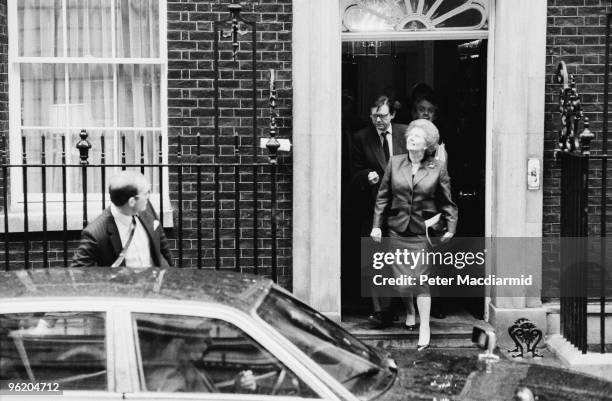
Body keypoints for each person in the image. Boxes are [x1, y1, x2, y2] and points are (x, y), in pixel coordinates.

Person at [370, 119, 458, 350]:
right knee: (402, 283)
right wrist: (377, 225)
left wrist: (450, 227)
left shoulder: (437, 167)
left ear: (427, 144)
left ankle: (424, 326)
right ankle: (410, 310)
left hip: (421, 232)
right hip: (397, 229)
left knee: (420, 281)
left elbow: (446, 201)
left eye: (416, 137)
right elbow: (383, 197)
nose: (411, 138)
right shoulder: (395, 162)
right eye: (410, 135)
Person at [351, 95, 408, 328]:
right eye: (375, 116)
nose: (379, 121)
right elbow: (352, 173)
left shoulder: (406, 133)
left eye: (383, 116)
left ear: (392, 115)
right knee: (375, 259)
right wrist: (366, 176)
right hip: (373, 208)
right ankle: (380, 311)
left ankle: (399, 308)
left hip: (402, 209)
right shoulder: (360, 138)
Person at [71, 171, 173, 268]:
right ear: (132, 201)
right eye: (146, 193)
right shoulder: (95, 233)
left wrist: (171, 273)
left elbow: (162, 243)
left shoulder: (145, 206)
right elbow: (78, 271)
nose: (148, 196)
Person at [145, 333, 257, 393]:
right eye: (202, 338)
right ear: (179, 341)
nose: (206, 345)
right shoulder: (171, 378)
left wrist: (237, 389)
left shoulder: (192, 369)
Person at [410, 83, 447, 163]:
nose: (426, 113)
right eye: (421, 109)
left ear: (434, 115)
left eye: (430, 111)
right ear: (415, 113)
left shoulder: (439, 146)